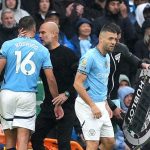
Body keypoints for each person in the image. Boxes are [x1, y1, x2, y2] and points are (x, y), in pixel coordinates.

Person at [0, 16, 64, 150]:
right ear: (34, 30)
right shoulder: (42, 50)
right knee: (23, 140)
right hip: (27, 95)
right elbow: (50, 79)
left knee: (9, 139)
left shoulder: (8, 44)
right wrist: (56, 101)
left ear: (20, 29)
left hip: (7, 94)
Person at [31, 22, 79, 150]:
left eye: (43, 32)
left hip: (67, 106)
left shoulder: (69, 54)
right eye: (39, 33)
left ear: (54, 34)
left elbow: (81, 80)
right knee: (35, 138)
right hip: (49, 105)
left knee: (63, 143)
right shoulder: (40, 55)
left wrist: (67, 94)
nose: (39, 35)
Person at [74, 23, 118, 150]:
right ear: (101, 38)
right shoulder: (89, 56)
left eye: (115, 39)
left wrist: (105, 103)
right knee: (92, 143)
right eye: (110, 38)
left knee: (110, 142)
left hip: (100, 104)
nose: (113, 42)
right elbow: (77, 83)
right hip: (87, 105)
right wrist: (92, 105)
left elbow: (101, 82)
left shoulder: (108, 57)